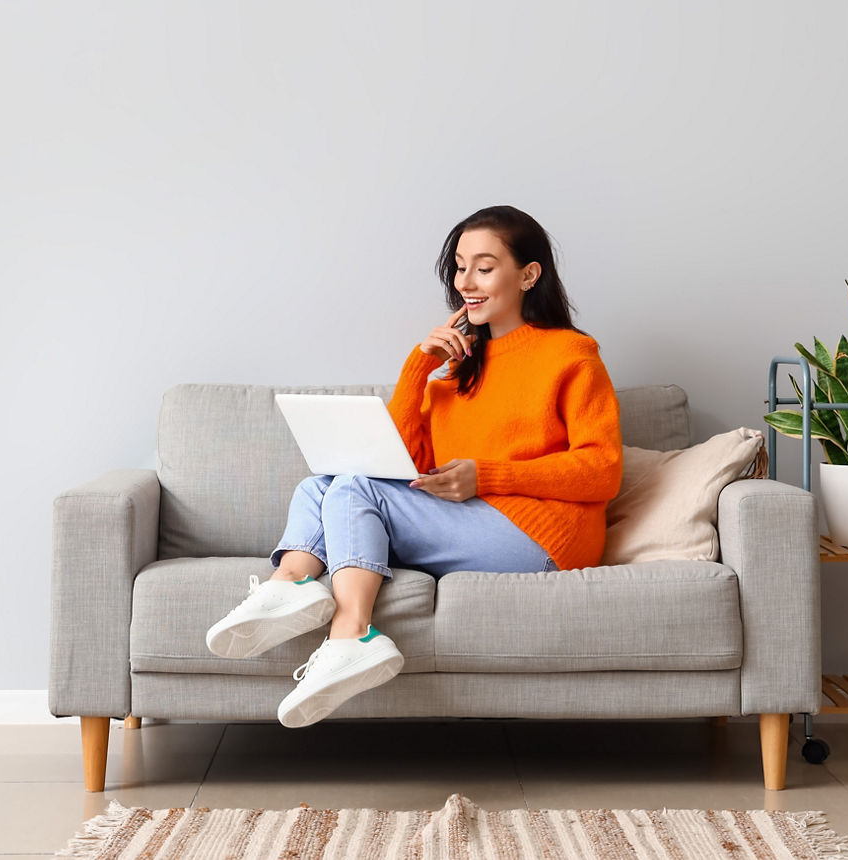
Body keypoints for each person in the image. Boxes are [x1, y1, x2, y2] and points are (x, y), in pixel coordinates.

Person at [204, 205, 623, 728]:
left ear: (528, 274)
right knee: (321, 486)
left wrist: (487, 475)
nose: (465, 282)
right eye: (459, 266)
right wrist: (419, 365)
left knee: (355, 490)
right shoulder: (457, 370)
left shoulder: (572, 355)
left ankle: (352, 633)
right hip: (469, 519)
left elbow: (601, 469)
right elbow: (401, 462)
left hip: (543, 538)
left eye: (484, 267)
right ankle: (290, 582)